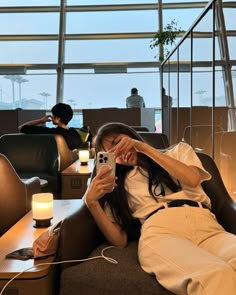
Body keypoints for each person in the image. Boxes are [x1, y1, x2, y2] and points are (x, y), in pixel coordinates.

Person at [84, 122, 236, 295]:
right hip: (161, 232)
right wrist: (92, 203)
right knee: (215, 274)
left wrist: (143, 148)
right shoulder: (116, 185)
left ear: (131, 136)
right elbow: (119, 240)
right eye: (110, 153)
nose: (118, 152)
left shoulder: (178, 151)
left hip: (207, 227)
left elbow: (192, 179)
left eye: (118, 142)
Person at [18, 103, 84, 150]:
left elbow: (21, 127)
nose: (51, 116)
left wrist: (41, 120)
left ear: (58, 118)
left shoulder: (51, 132)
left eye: (53, 115)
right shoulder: (74, 133)